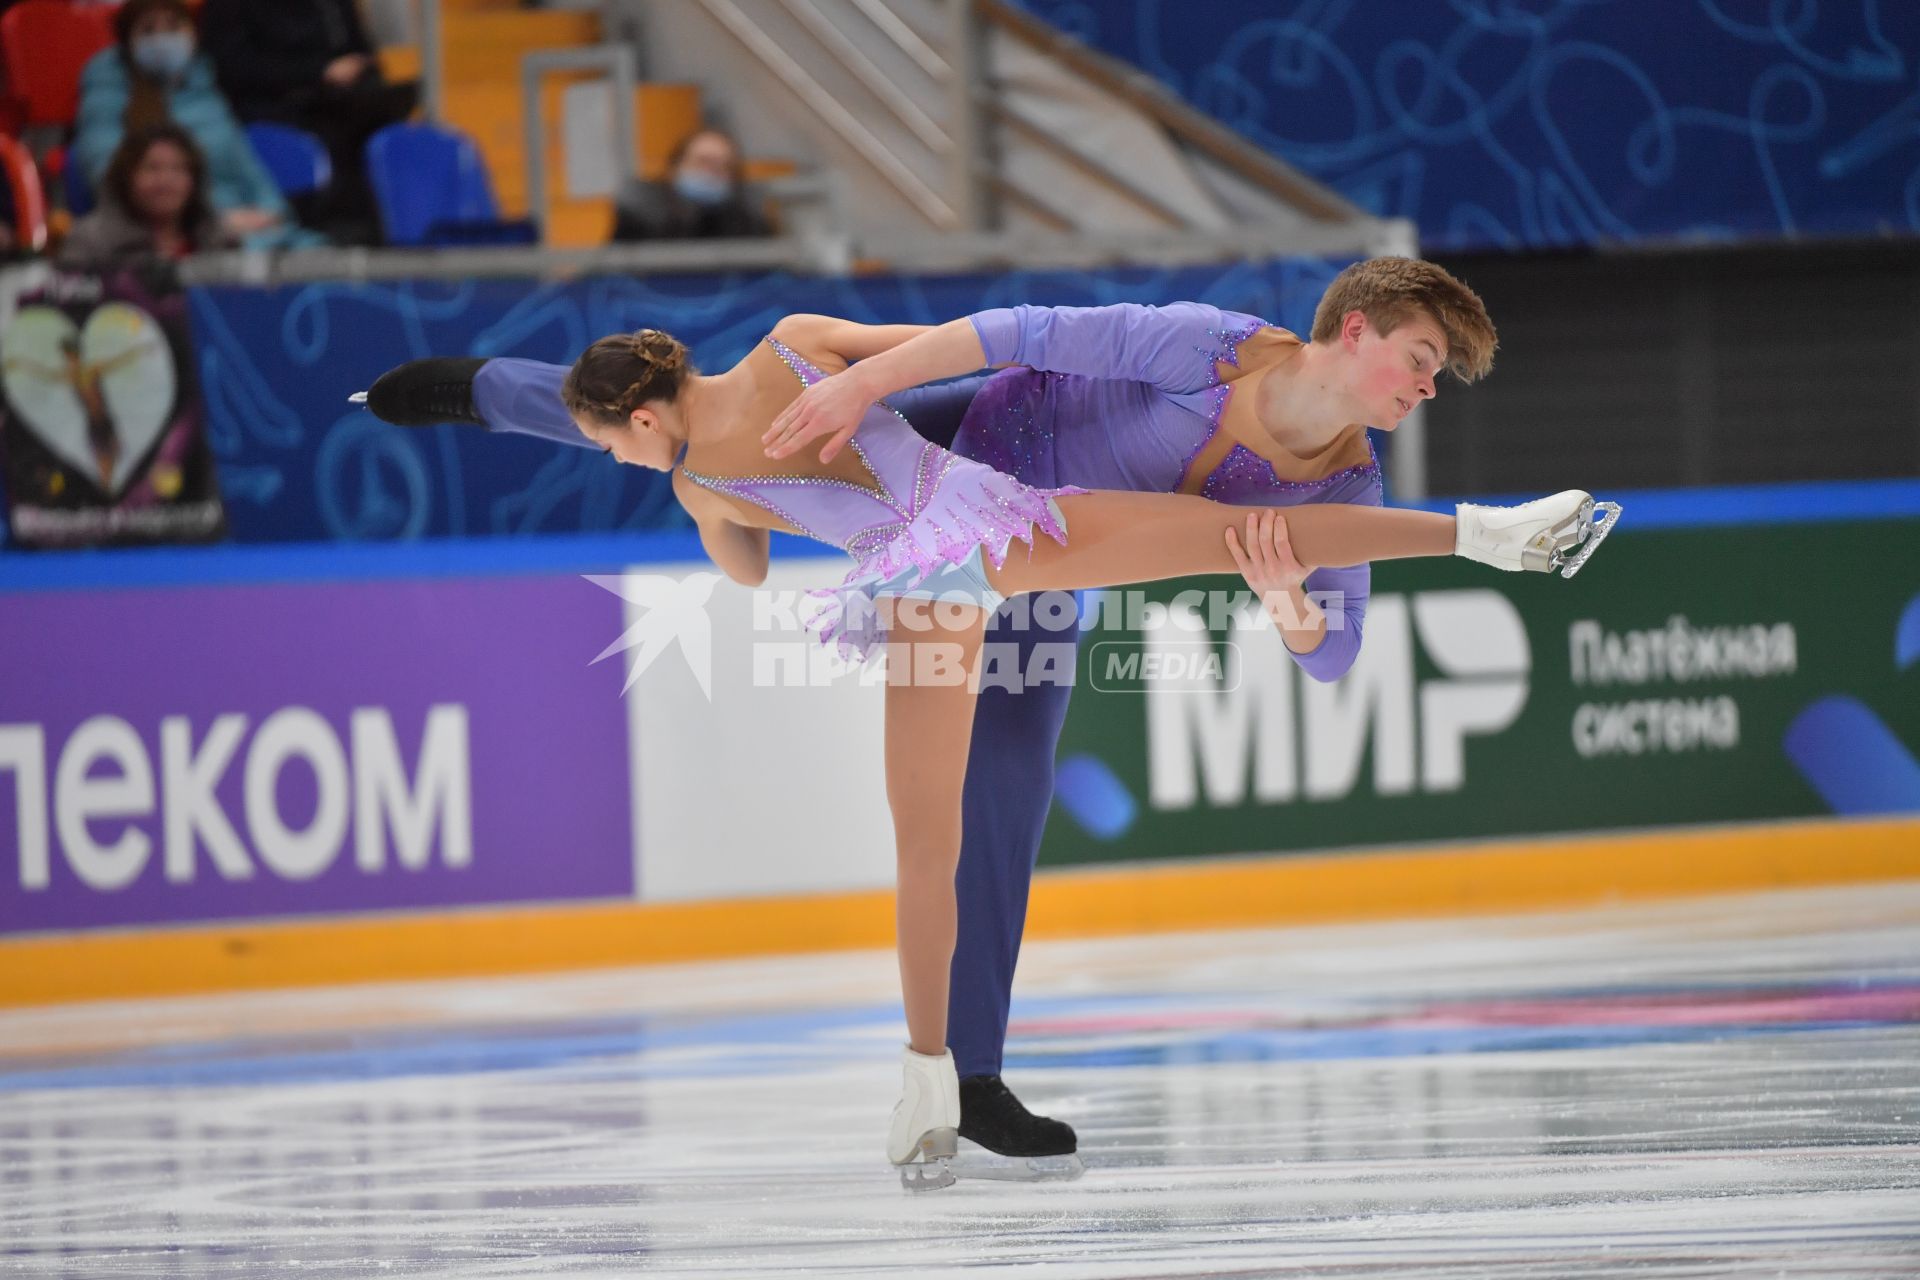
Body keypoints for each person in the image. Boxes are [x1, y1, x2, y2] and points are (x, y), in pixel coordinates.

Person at [361, 283, 1613, 1187]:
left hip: (1008, 553)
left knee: (984, 809)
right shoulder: (1216, 345)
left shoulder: (1340, 479)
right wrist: (864, 378)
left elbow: (1333, 652)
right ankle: (462, 391)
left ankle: (956, 1074)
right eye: (1423, 358)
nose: (1426, 383)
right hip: (981, 452)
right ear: (1358, 331)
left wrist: (1287, 607)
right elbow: (1025, 330)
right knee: (699, 425)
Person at [72, 0, 298, 248]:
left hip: (249, 225)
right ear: (128, 40)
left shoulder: (205, 87)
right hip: (171, 235)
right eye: (148, 30)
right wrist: (215, 223)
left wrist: (273, 213)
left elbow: (247, 168)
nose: (161, 39)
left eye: (172, 27)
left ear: (192, 34)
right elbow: (110, 177)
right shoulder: (107, 89)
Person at [200, 0, 417, 242]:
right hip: (280, 110)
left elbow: (363, 51)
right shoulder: (231, 7)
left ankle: (390, 239)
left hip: (348, 104)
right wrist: (319, 72)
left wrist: (363, 69)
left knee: (395, 132)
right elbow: (235, 68)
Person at [59, 122, 237, 269]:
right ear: (126, 178)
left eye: (179, 169)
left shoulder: (219, 239)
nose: (166, 181)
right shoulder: (90, 241)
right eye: (152, 168)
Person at [612, 128, 772, 243]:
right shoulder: (641, 212)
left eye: (724, 166)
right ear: (675, 168)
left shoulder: (747, 216)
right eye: (703, 162)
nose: (713, 172)